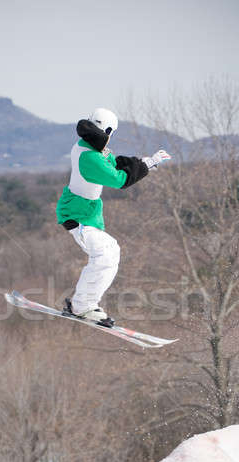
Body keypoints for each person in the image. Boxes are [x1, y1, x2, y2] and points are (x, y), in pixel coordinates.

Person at [56, 107, 170, 325]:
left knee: (109, 253)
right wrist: (145, 167)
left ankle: (82, 303)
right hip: (77, 214)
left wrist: (144, 163)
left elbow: (115, 162)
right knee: (106, 254)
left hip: (85, 214)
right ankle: (83, 305)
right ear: (108, 130)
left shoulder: (91, 147)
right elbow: (119, 180)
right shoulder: (89, 156)